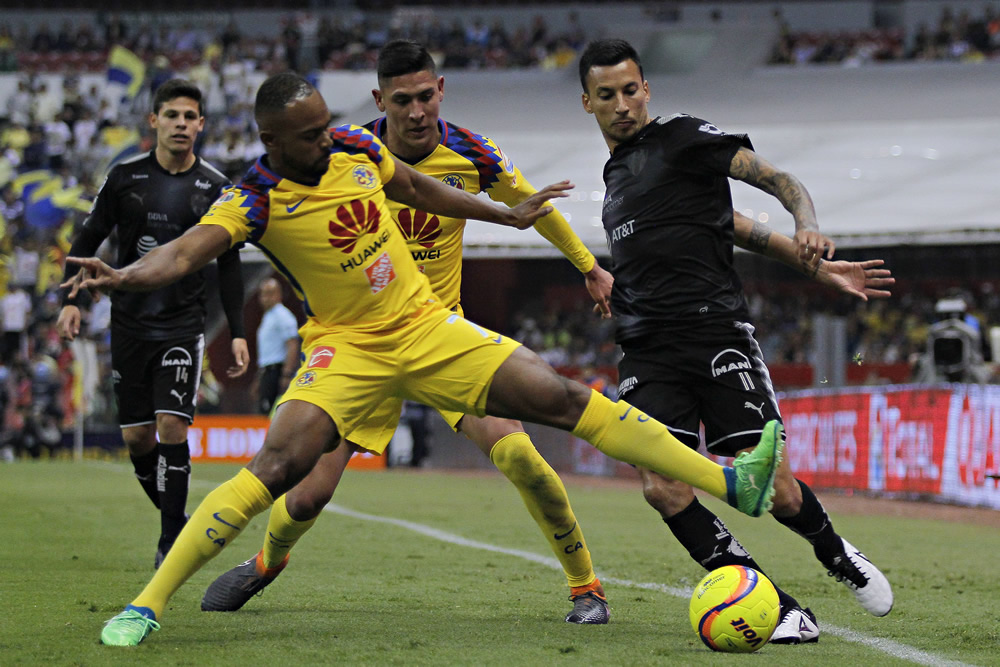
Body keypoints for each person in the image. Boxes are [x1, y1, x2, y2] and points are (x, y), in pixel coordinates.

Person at [67, 71, 782, 647]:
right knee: (282, 474)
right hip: (347, 351)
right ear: (270, 140)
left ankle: (724, 485)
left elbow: (413, 187)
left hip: (429, 328)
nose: (327, 138)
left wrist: (507, 215)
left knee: (561, 401)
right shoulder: (253, 197)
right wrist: (123, 275)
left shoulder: (358, 147)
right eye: (310, 134)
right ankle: (151, 603)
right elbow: (185, 252)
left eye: (326, 125)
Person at [200, 39, 617, 625]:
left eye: (426, 96)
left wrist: (589, 267)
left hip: (441, 339)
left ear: (440, 90)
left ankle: (586, 587)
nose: (418, 111)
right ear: (380, 100)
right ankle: (267, 561)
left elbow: (532, 206)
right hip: (362, 347)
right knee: (307, 495)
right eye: (403, 101)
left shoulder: (473, 153)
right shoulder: (344, 153)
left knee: (521, 457)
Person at [577, 39, 895, 644]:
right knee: (662, 487)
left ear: (646, 89)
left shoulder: (682, 137)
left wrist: (810, 240)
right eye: (607, 95)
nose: (622, 104)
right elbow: (729, 227)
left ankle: (835, 553)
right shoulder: (615, 175)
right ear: (587, 102)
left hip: (716, 335)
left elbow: (777, 180)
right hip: (647, 350)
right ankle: (776, 605)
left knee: (774, 489)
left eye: (630, 90)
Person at [56, 79, 250, 569]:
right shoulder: (124, 178)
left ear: (201, 124)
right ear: (154, 121)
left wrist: (238, 331)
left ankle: (168, 546)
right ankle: (179, 526)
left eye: (189, 116)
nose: (181, 124)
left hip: (183, 325)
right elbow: (88, 238)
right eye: (172, 115)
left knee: (171, 426)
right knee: (137, 439)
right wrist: (71, 300)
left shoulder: (217, 189)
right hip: (129, 323)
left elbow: (229, 264)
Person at [254, 276, 299, 415]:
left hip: (277, 371)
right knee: (263, 411)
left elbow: (292, 344)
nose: (265, 298)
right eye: (262, 294)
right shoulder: (268, 316)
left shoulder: (283, 316)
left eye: (269, 293)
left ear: (279, 294)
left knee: (271, 412)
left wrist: (286, 374)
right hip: (267, 371)